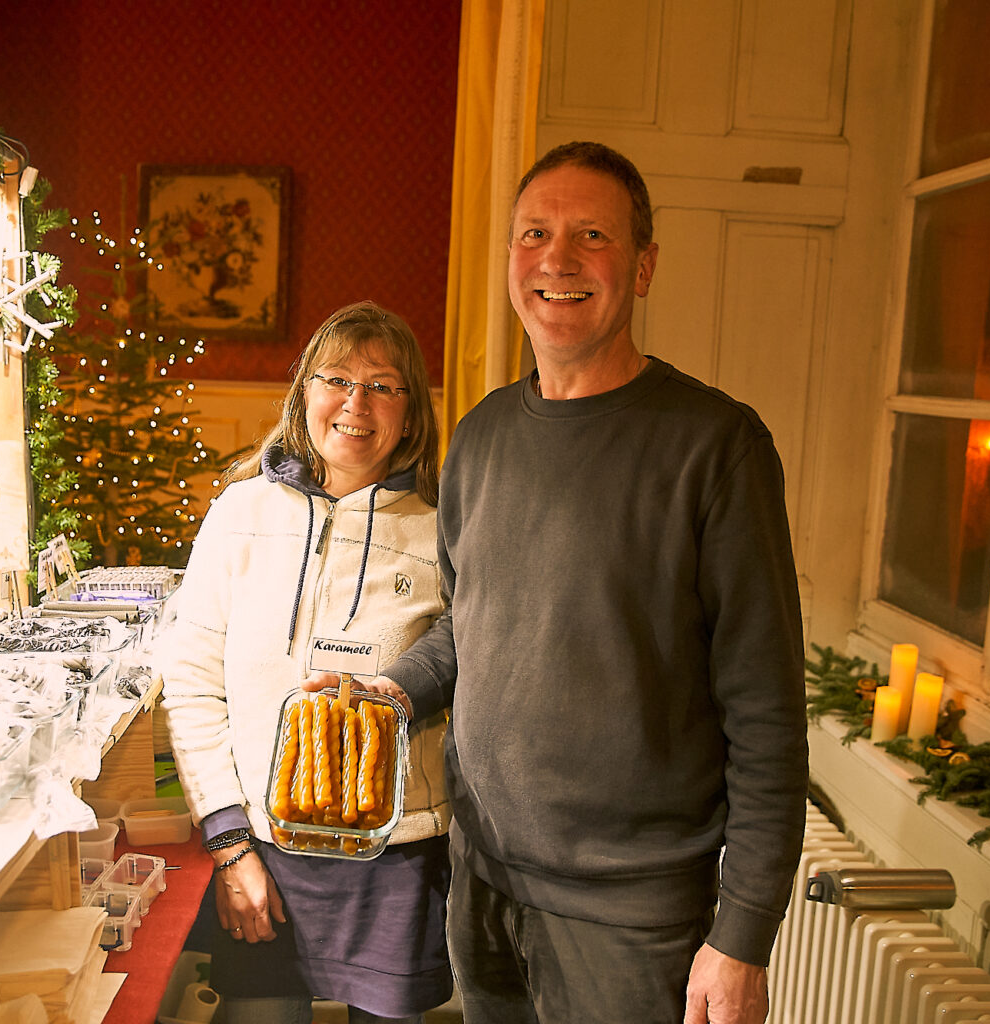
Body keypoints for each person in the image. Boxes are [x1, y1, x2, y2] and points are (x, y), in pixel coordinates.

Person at [374, 142, 809, 1024]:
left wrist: (743, 936)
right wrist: (391, 690)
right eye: (534, 233)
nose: (557, 260)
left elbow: (765, 709)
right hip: (484, 886)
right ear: (510, 261)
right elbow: (474, 626)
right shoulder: (482, 435)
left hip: (632, 920)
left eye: (592, 236)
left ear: (643, 267)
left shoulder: (717, 447)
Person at [161, 301, 453, 1024]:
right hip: (264, 849)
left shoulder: (446, 527)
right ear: (304, 395)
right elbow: (193, 684)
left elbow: (468, 656)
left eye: (384, 385)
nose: (357, 404)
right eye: (337, 379)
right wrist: (230, 847)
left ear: (411, 414)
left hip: (397, 854)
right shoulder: (238, 514)